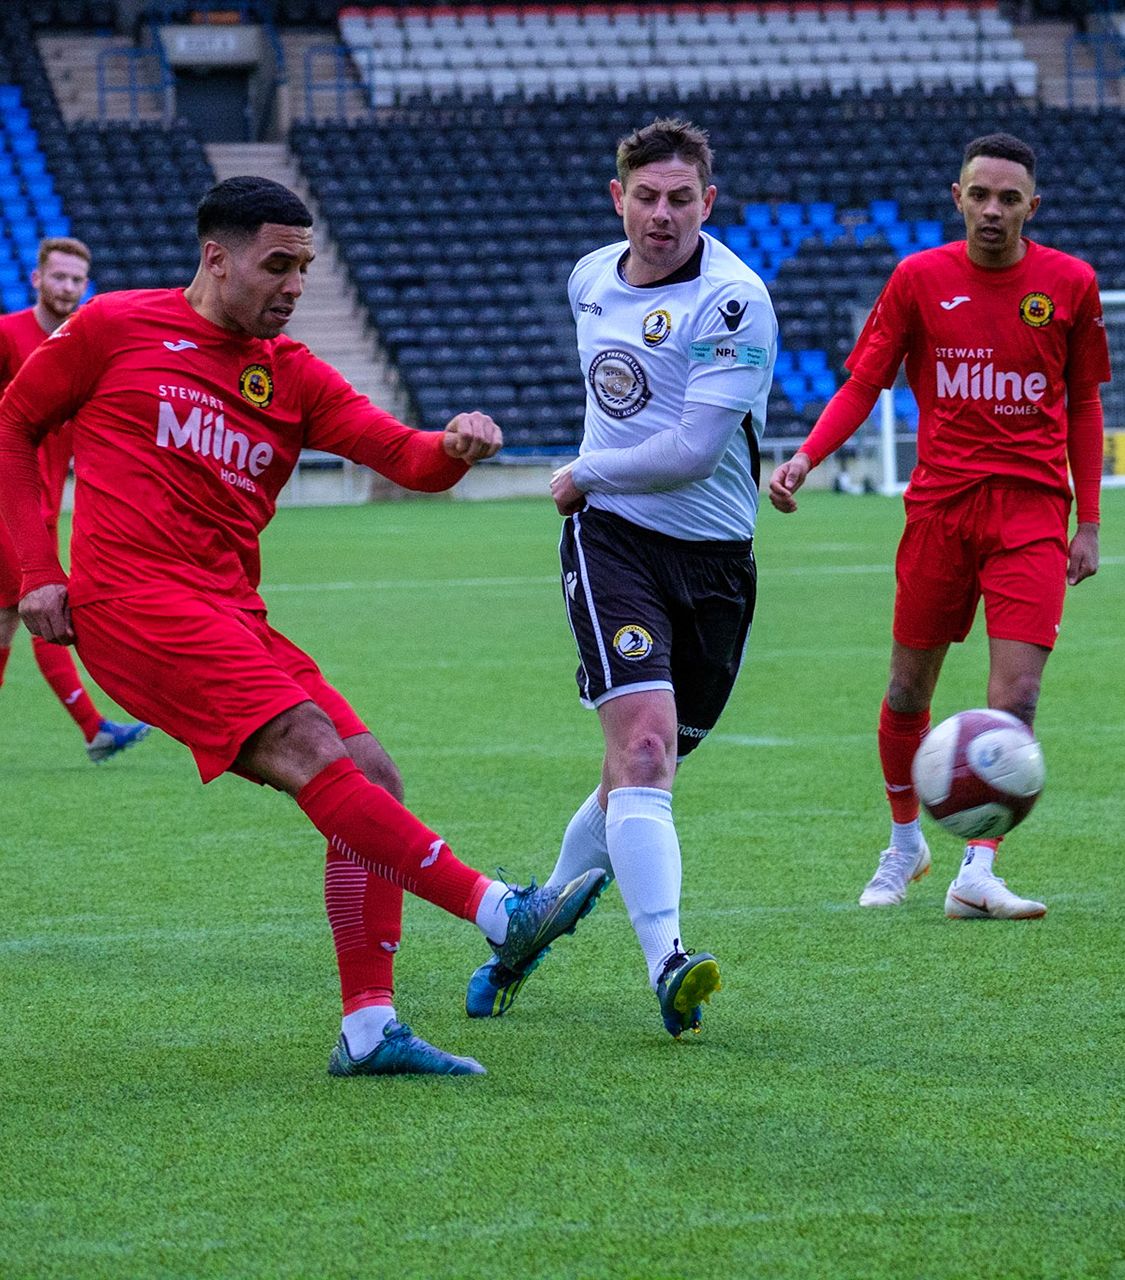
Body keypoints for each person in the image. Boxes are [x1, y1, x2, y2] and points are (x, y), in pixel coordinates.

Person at [0, 175, 607, 1077]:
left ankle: (368, 1030)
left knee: (372, 774)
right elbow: (12, 428)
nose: (294, 285)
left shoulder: (294, 376)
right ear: (216, 257)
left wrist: (455, 446)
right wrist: (38, 573)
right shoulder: (116, 326)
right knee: (315, 746)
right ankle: (500, 911)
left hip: (232, 611)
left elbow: (405, 457)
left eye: (305, 268)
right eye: (277, 265)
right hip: (131, 603)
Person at [465, 118, 776, 1039]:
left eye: (683, 199)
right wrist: (593, 489)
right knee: (643, 752)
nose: (663, 215)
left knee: (636, 777)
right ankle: (669, 966)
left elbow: (691, 450)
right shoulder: (589, 278)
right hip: (613, 543)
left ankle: (531, 926)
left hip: (717, 561)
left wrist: (583, 468)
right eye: (647, 196)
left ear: (707, 204)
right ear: (619, 199)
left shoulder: (735, 301)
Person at [769, 132, 1111, 921]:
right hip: (940, 511)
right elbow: (865, 383)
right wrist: (807, 456)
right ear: (956, 197)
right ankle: (903, 845)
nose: (993, 210)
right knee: (904, 688)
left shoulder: (1071, 284)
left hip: (1030, 512)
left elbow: (1086, 404)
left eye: (1009, 198)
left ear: (1033, 205)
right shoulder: (918, 279)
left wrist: (1088, 518)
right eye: (979, 195)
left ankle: (977, 869)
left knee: (1016, 697)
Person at [0, 236, 150, 767]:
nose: (68, 288)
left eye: (78, 280)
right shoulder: (2, 333)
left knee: (3, 618)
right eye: (58, 277)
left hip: (45, 504)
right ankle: (94, 728)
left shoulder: (81, 340)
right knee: (45, 602)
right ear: (37, 279)